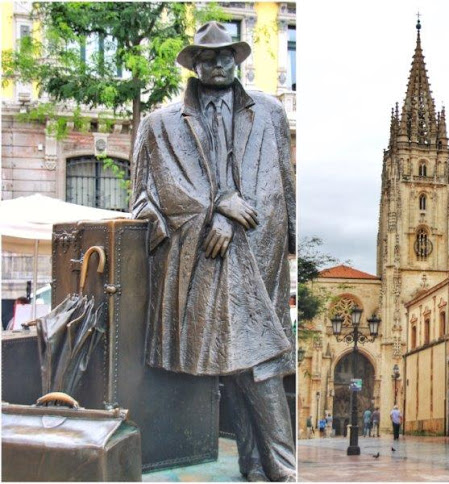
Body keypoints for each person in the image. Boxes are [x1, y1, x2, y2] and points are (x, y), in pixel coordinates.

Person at [131, 21, 296, 482]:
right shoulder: (159, 125)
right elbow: (144, 200)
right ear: (194, 64)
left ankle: (257, 465)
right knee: (251, 359)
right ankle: (282, 469)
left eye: (227, 55)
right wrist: (213, 208)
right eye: (208, 57)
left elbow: (277, 183)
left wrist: (285, 238)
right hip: (202, 257)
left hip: (258, 250)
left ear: (238, 60)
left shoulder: (269, 114)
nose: (219, 64)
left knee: (246, 359)